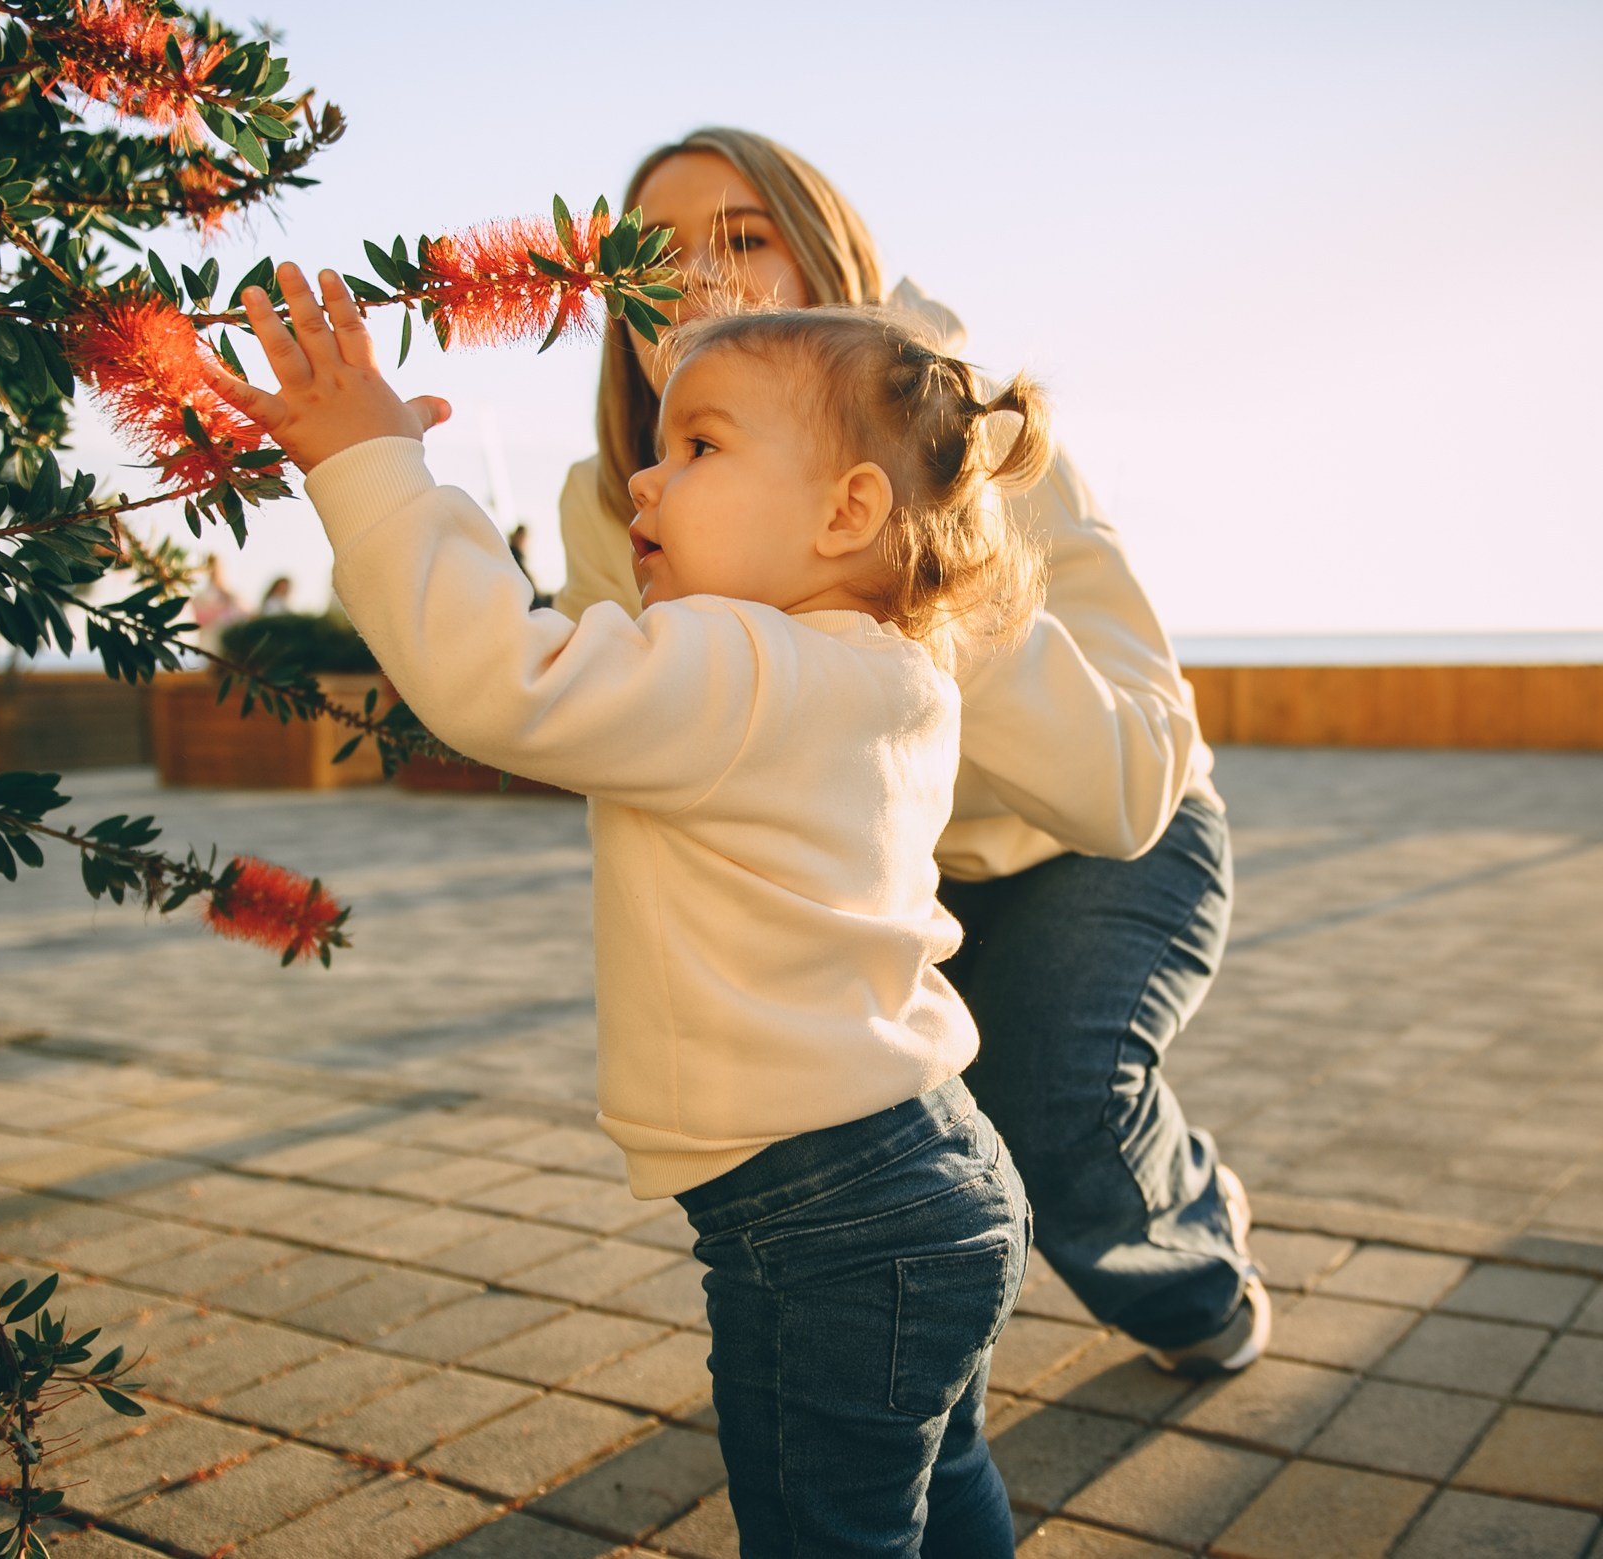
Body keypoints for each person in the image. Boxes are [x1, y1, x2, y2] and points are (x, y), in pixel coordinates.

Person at [211, 263, 1048, 1556]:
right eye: (658, 448)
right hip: (906, 1179)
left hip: (832, 1213)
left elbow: (504, 677)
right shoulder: (886, 671)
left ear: (848, 510)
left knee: (822, 1524)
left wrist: (373, 466)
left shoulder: (751, 667)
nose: (646, 481)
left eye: (700, 446)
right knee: (922, 1494)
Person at [557, 128, 1267, 1377]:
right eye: (653, 255)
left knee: (1053, 1100)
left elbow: (1131, 783)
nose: (698, 277)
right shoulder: (613, 496)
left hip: (1099, 849)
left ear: (826, 258)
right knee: (887, 1173)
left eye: (743, 237)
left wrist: (921, 552)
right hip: (883, 885)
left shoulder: (966, 429)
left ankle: (1196, 1272)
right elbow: (621, 726)